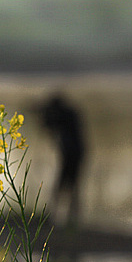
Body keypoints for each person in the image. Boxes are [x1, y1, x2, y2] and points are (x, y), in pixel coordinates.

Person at [39, 93, 86, 227]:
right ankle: (71, 218)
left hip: (71, 154)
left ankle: (55, 216)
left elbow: (50, 126)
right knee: (72, 186)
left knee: (64, 185)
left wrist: (44, 117)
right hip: (76, 153)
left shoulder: (65, 116)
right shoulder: (70, 114)